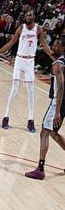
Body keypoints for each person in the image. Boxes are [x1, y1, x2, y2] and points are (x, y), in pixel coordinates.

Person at [0, 10, 54, 132]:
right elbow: (10, 43)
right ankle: (6, 117)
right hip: (19, 60)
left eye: (30, 15)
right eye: (27, 15)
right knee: (14, 88)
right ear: (25, 17)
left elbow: (45, 46)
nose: (28, 16)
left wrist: (54, 58)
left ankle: (30, 120)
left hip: (30, 61)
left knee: (31, 91)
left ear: (34, 17)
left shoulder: (38, 29)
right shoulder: (21, 28)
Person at [25, 35, 65, 180]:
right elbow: (50, 52)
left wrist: (57, 111)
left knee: (44, 133)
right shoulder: (60, 61)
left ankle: (40, 169)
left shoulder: (58, 65)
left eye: (57, 45)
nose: (54, 46)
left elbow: (61, 87)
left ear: (63, 47)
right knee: (54, 133)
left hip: (58, 102)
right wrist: (41, 37)